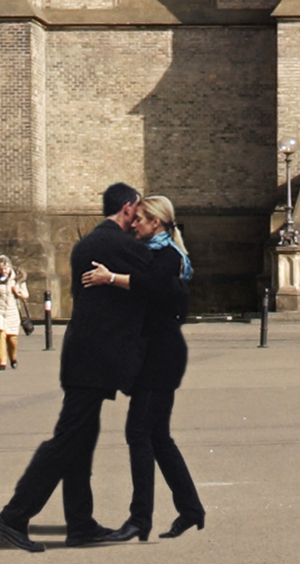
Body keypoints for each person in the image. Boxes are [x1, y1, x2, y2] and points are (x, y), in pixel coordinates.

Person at [0, 183, 155, 553]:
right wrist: (163, 232)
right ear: (128, 208)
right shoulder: (116, 244)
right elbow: (160, 274)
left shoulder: (90, 242)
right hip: (93, 360)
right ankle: (12, 517)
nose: (141, 218)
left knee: (80, 441)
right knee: (67, 441)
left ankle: (80, 523)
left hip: (83, 356)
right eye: (139, 211)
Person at [81, 196, 205, 543]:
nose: (133, 224)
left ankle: (140, 519)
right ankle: (191, 509)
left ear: (156, 222)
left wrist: (110, 278)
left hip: (162, 356)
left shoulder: (169, 257)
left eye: (139, 219)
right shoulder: (150, 254)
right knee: (157, 436)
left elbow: (150, 284)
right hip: (151, 354)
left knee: (138, 432)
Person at [0, 255, 32, 371]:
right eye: (1, 269)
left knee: (12, 339)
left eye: (5, 269)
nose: (3, 271)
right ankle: (2, 361)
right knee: (0, 333)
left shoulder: (18, 279)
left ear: (10, 268)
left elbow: (26, 295)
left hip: (12, 311)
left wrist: (18, 291)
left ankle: (13, 357)